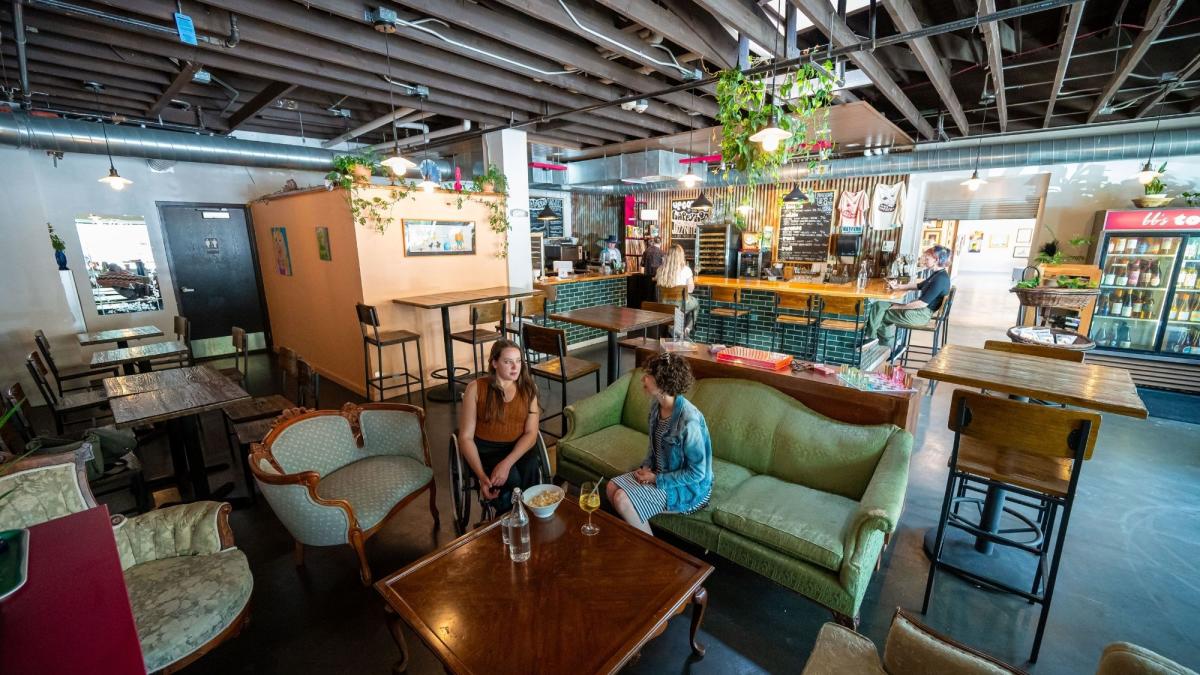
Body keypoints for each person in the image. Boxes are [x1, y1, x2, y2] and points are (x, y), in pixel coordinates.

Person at [607, 353, 712, 535]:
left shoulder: (689, 421)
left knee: (623, 499)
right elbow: (653, 446)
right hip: (659, 473)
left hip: (688, 488)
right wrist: (646, 468)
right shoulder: (657, 407)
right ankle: (636, 542)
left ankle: (651, 552)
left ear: (662, 383)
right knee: (611, 488)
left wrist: (656, 478)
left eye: (648, 375)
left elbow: (697, 473)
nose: (643, 379)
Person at [457, 339, 542, 514]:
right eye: (508, 361)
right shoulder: (476, 388)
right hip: (488, 450)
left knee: (531, 468)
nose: (515, 367)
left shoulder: (528, 389)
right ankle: (508, 520)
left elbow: (531, 433)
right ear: (494, 363)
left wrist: (507, 463)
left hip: (519, 446)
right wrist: (481, 477)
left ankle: (531, 516)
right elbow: (465, 438)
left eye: (518, 361)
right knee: (511, 480)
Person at [863, 245, 953, 346]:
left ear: (936, 260)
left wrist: (899, 306)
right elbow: (918, 285)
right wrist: (898, 287)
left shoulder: (940, 279)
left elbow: (921, 304)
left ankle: (877, 341)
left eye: (927, 258)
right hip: (919, 311)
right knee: (879, 306)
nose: (924, 260)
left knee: (880, 314)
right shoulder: (938, 274)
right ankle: (882, 343)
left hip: (921, 315)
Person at [654, 244, 699, 337]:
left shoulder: (660, 270)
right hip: (680, 305)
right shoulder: (686, 270)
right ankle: (687, 328)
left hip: (664, 306)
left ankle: (673, 328)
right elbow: (690, 289)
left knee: (674, 310)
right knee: (696, 304)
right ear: (681, 256)